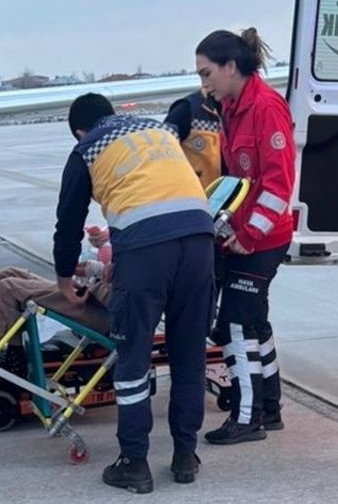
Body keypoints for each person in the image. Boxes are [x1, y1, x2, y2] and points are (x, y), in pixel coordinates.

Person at [53, 93, 216, 493]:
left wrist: (62, 279)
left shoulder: (86, 147)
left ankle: (134, 462)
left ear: (79, 130)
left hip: (146, 249)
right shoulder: (157, 130)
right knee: (188, 354)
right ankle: (184, 455)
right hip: (199, 239)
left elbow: (68, 220)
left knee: (133, 357)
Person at [193, 28, 295, 445]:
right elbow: (239, 181)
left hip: (262, 239)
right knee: (255, 321)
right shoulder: (232, 108)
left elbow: (279, 183)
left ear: (231, 67)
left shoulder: (266, 109)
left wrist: (250, 235)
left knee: (234, 324)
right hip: (243, 233)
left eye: (206, 73)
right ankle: (269, 408)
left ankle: (247, 417)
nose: (204, 84)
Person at [0, 234, 114, 376]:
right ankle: (15, 352)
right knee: (7, 273)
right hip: (95, 294)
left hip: (102, 309)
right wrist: (94, 269)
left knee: (8, 288)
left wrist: (97, 274)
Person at [163, 86, 224, 189]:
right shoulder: (186, 110)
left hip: (232, 195)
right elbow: (161, 153)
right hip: (194, 197)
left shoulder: (246, 110)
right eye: (205, 74)